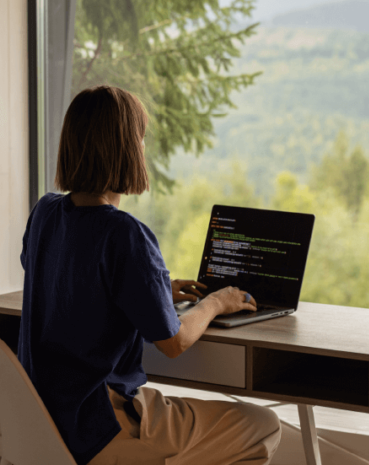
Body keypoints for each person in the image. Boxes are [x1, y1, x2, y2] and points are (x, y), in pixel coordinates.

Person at [18, 85, 281, 465]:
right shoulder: (124, 233)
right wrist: (214, 302)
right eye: (140, 138)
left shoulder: (45, 213)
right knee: (264, 425)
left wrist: (154, 292)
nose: (143, 147)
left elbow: (63, 276)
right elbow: (174, 343)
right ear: (125, 148)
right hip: (101, 426)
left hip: (45, 422)